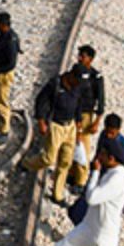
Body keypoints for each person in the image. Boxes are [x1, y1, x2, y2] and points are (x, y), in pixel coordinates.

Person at [23, 70, 83, 204]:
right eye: (76, 81)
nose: (78, 84)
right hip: (56, 125)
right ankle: (27, 164)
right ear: (71, 76)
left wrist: (79, 128)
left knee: (65, 162)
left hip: (70, 127)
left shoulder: (77, 88)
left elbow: (79, 106)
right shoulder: (55, 85)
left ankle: (58, 194)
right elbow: (41, 101)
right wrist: (41, 121)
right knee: (49, 159)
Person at [69, 45, 105, 193]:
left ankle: (81, 180)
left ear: (90, 59)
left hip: (85, 115)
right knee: (71, 143)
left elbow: (101, 101)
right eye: (79, 55)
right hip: (73, 112)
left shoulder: (96, 77)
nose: (79, 58)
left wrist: (97, 121)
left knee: (82, 147)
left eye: (82, 56)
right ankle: (72, 173)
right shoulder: (75, 71)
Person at [0, 12, 22, 143]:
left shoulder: (10, 40)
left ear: (3, 25)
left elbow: (10, 63)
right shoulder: (3, 36)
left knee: (1, 102)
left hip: (3, 75)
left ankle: (4, 130)